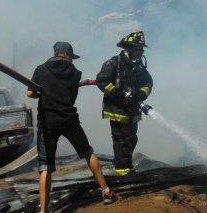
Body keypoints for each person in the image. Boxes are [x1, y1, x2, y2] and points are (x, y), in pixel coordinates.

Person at [27, 42, 116, 213]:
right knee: (87, 153)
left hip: (48, 122)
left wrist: (44, 93)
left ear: (55, 52)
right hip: (69, 119)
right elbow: (71, 95)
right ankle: (106, 192)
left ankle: (44, 211)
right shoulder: (75, 73)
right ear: (68, 55)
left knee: (45, 166)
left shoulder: (40, 69)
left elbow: (30, 93)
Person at [96, 31, 153, 177]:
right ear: (129, 49)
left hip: (132, 111)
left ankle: (126, 165)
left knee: (132, 139)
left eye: (141, 50)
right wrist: (118, 94)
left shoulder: (138, 67)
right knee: (122, 141)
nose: (140, 53)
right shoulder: (114, 63)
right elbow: (101, 81)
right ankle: (123, 172)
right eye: (138, 49)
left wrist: (140, 94)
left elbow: (148, 82)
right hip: (117, 110)